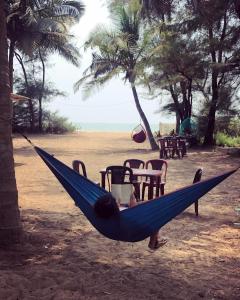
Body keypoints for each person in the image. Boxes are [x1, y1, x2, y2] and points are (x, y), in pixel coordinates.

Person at [94, 192, 167, 250]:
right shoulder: (124, 213)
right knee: (156, 212)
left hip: (126, 227)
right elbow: (135, 210)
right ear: (114, 205)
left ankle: (155, 240)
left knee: (143, 204)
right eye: (116, 201)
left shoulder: (109, 214)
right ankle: (153, 242)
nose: (118, 200)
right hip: (138, 227)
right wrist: (130, 194)